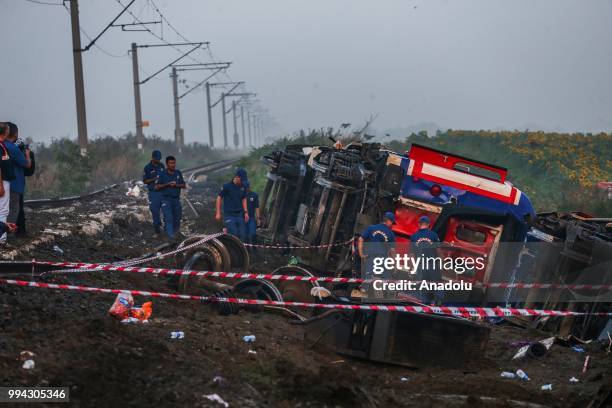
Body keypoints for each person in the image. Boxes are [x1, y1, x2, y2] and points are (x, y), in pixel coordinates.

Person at [5, 122, 32, 236]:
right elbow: (27, 165)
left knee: (3, 210)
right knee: (13, 210)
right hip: (13, 184)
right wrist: (27, 154)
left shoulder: (2, 146)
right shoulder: (13, 148)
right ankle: (8, 236)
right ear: (15, 134)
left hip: (4, 183)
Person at [410, 215, 442, 304]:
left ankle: (424, 304)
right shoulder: (434, 235)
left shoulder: (414, 237)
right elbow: (438, 251)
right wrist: (442, 263)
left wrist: (412, 268)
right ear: (428, 225)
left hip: (420, 265)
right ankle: (436, 302)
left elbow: (412, 255)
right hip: (432, 265)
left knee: (422, 285)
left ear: (419, 224)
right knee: (435, 283)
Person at [357, 212, 397, 280]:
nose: (392, 225)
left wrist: (361, 254)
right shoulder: (391, 234)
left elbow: (360, 239)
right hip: (382, 259)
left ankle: (364, 289)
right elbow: (392, 250)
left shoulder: (371, 228)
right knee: (384, 279)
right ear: (389, 221)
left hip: (369, 256)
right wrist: (394, 263)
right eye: (392, 223)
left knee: (368, 278)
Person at [155, 156, 186, 240]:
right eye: (171, 163)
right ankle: (170, 238)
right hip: (166, 200)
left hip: (176, 200)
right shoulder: (162, 174)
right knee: (168, 218)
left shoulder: (178, 173)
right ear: (167, 164)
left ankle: (176, 237)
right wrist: (167, 184)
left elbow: (183, 185)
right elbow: (157, 187)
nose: (173, 165)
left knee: (177, 219)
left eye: (174, 163)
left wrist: (176, 185)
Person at [215, 171, 248, 241]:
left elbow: (244, 198)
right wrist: (218, 213)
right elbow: (219, 198)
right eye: (241, 180)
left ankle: (239, 250)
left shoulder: (243, 187)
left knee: (242, 235)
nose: (242, 182)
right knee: (233, 234)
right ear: (237, 177)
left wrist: (245, 212)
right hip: (229, 214)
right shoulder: (227, 186)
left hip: (239, 214)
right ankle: (229, 249)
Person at [142, 150, 165, 235]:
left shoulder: (162, 166)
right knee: (155, 211)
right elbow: (145, 181)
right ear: (153, 158)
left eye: (159, 159)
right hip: (153, 193)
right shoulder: (147, 167)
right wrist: (154, 179)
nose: (158, 160)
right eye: (157, 159)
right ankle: (157, 229)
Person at [0, 123, 15, 245]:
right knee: (3, 210)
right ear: (4, 132)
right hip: (2, 181)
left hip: (4, 180)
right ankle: (2, 238)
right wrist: (0, 185)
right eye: (7, 130)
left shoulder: (2, 145)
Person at [244, 181, 260, 245]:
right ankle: (246, 248)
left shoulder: (254, 195)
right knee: (245, 235)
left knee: (253, 233)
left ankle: (255, 247)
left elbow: (257, 207)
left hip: (251, 217)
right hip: (243, 217)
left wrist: (258, 218)